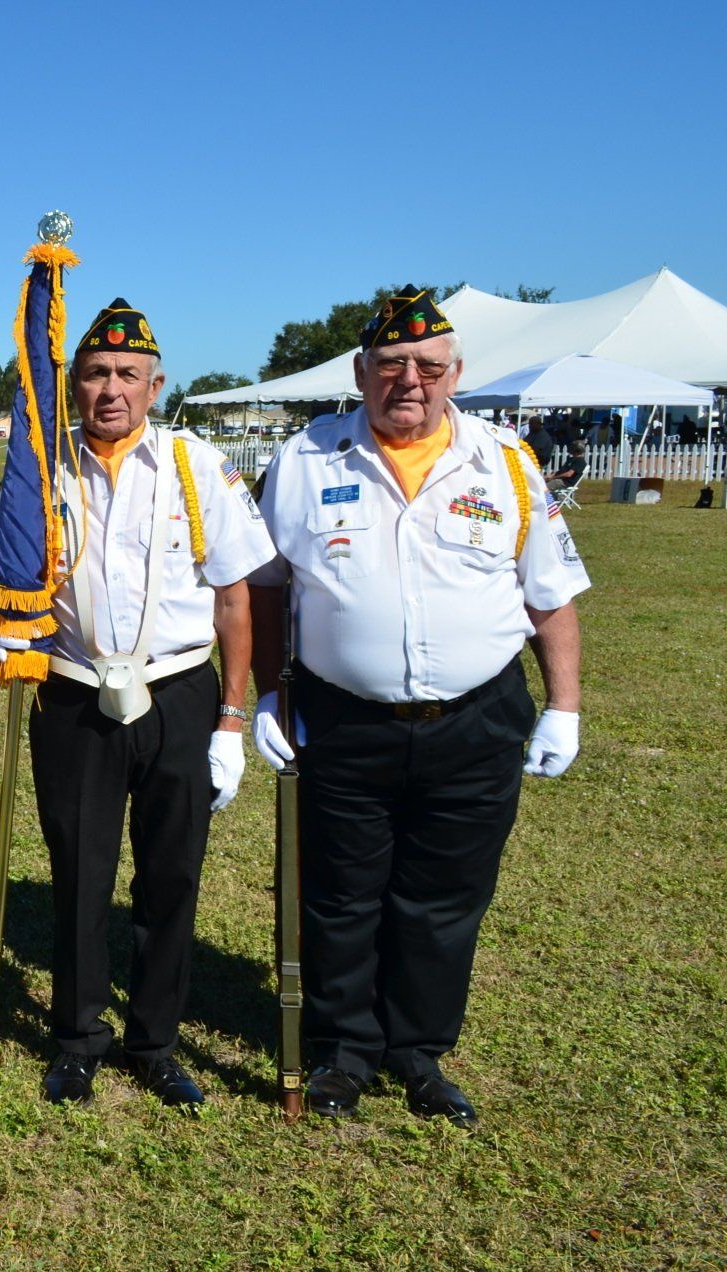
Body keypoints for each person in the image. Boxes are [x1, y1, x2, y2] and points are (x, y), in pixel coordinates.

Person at [248, 286, 589, 1128]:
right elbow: (265, 589)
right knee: (340, 894)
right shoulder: (306, 459)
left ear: (456, 375)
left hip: (476, 721)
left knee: (445, 897)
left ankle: (418, 1052)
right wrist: (266, 694)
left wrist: (565, 705)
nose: (411, 381)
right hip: (343, 719)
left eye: (430, 367)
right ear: (361, 372)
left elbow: (549, 594)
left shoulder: (505, 462)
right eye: (393, 364)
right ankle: (343, 1051)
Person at [0, 299, 276, 1114]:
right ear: (73, 384)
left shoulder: (194, 466)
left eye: (127, 374)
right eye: (95, 374)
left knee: (171, 875)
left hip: (177, 691)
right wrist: (13, 631)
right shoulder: (41, 469)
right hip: (74, 695)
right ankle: (78, 1038)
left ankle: (156, 1043)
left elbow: (234, 600)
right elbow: (5, 563)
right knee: (80, 873)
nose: (110, 389)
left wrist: (230, 718)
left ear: (156, 385)